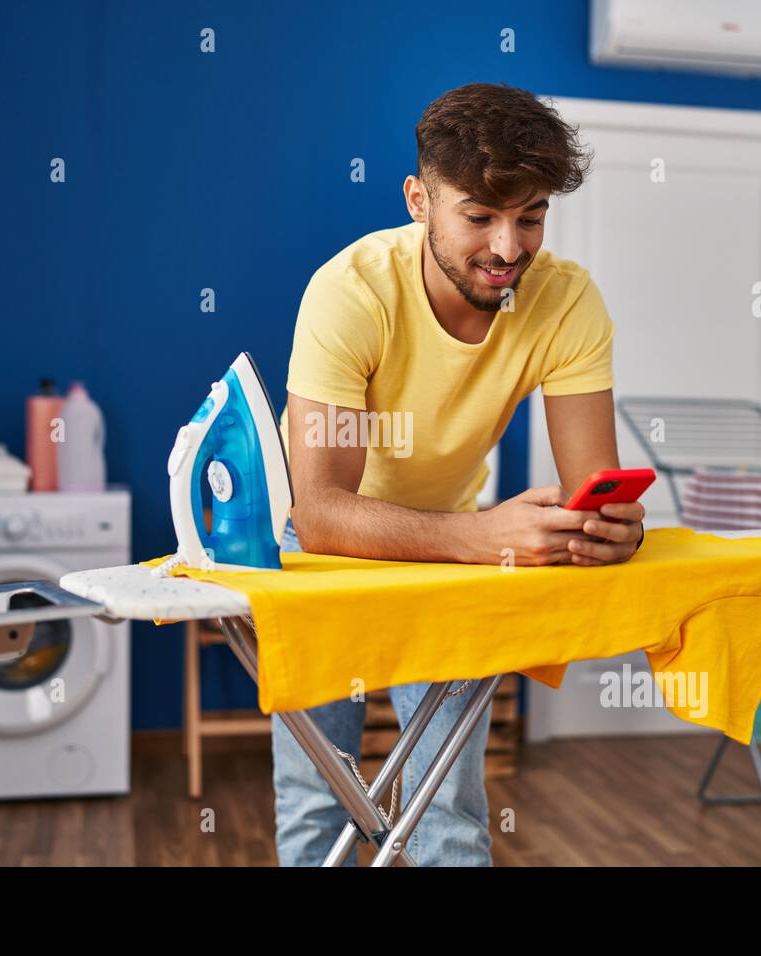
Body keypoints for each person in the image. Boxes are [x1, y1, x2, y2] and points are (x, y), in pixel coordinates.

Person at [272, 83, 645, 867]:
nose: (509, 248)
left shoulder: (567, 301)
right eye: (479, 216)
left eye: (532, 216)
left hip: (451, 542)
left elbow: (595, 482)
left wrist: (608, 528)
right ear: (420, 200)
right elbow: (321, 513)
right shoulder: (350, 293)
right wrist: (483, 536)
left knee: (450, 811)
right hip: (324, 552)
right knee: (322, 804)